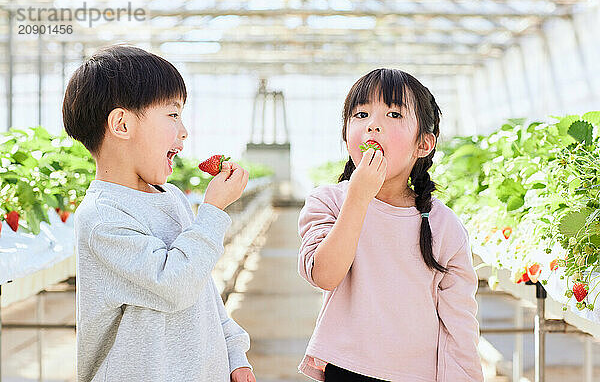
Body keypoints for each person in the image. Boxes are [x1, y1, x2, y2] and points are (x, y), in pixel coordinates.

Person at [63, 44, 255, 382]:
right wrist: (212, 211)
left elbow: (202, 289)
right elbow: (174, 285)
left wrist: (234, 352)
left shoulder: (173, 198)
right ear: (121, 124)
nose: (184, 131)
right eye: (172, 114)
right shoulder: (102, 217)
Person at [297, 68, 484, 381]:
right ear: (346, 134)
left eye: (394, 114)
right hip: (348, 369)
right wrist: (357, 197)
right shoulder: (328, 201)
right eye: (361, 113)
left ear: (423, 144)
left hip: (421, 374)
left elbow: (459, 321)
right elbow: (324, 275)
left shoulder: (443, 224)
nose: (373, 124)